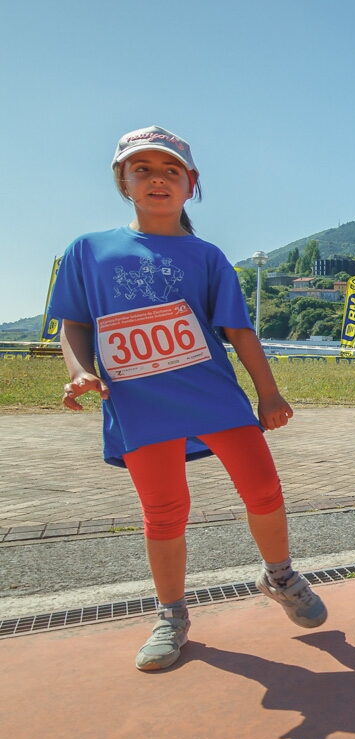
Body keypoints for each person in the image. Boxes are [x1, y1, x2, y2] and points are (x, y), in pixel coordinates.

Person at [50, 125, 327, 672]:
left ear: (191, 183)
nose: (158, 179)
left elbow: (239, 330)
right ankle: (171, 616)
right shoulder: (87, 251)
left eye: (171, 170)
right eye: (143, 169)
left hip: (214, 395)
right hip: (137, 401)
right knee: (164, 510)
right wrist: (81, 373)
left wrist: (268, 393)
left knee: (265, 489)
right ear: (122, 180)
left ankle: (280, 576)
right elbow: (74, 324)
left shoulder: (207, 256)